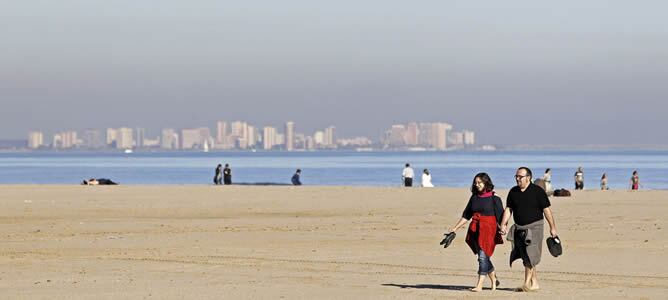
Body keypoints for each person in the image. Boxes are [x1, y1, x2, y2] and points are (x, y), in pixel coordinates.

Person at [500, 167, 558, 292]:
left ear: (528, 177)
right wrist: (503, 224)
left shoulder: (538, 192)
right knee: (526, 256)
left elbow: (547, 210)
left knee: (531, 255)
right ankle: (535, 282)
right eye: (516, 176)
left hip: (535, 227)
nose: (517, 178)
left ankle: (526, 284)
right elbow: (508, 209)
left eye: (520, 176)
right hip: (520, 228)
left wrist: (552, 228)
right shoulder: (513, 192)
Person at [448, 173, 503, 292]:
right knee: (482, 257)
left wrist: (503, 227)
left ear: (486, 183)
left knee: (483, 257)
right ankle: (494, 280)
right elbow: (466, 215)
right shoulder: (474, 197)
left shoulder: (494, 198)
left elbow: (501, 216)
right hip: (475, 229)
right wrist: (455, 228)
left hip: (489, 230)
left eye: (479, 182)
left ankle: (479, 285)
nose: (477, 185)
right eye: (475, 182)